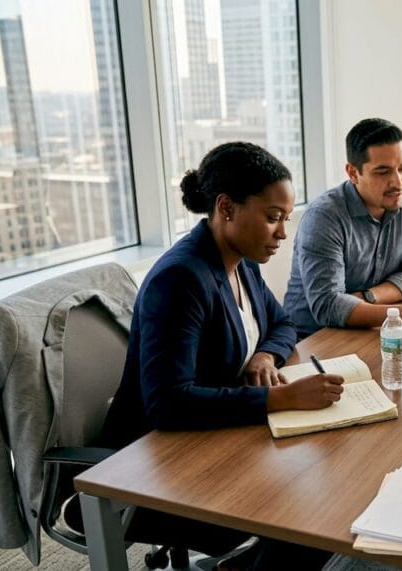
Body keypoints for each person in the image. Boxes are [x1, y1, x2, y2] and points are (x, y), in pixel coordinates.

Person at [100, 142, 341, 569]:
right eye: (272, 218)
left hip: (221, 433)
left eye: (285, 219)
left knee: (332, 477)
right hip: (156, 462)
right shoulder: (181, 279)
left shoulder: (241, 261)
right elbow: (168, 405)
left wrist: (265, 356)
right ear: (226, 208)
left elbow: (284, 324)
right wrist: (280, 398)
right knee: (314, 505)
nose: (282, 234)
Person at [283, 117, 402, 337]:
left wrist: (368, 297)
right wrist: (398, 314)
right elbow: (328, 305)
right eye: (383, 172)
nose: (398, 182)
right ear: (353, 173)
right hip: (314, 338)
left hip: (372, 330)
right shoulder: (324, 217)